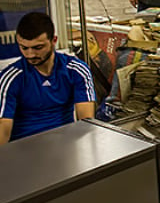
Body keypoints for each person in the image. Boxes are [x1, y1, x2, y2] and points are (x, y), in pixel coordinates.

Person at [0, 12, 96, 144]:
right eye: (24, 48)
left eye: (38, 47)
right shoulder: (10, 78)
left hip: (65, 145)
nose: (30, 54)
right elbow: (3, 131)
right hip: (23, 149)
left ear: (54, 41)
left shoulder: (77, 70)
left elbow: (86, 124)